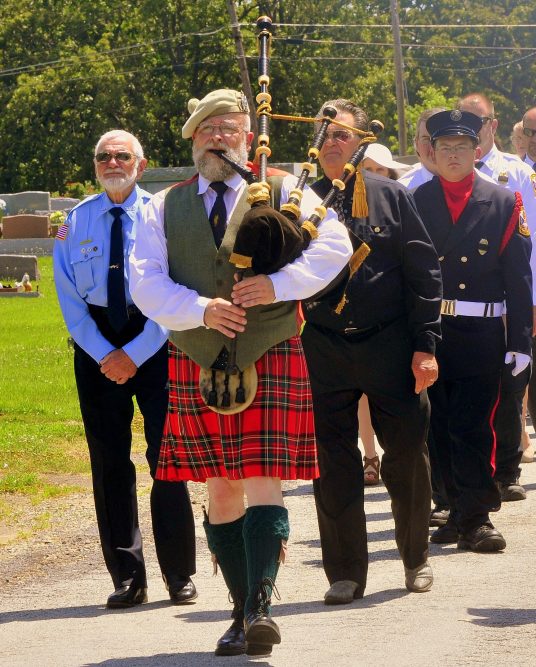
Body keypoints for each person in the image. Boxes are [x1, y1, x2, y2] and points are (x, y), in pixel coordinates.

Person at [129, 89, 351, 656]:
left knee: (262, 480)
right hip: (198, 356)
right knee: (219, 486)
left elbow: (333, 251)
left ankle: (261, 606)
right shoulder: (163, 206)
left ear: (248, 138)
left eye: (229, 128)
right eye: (207, 130)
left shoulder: (286, 190)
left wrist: (277, 286)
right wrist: (201, 308)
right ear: (192, 141)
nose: (218, 137)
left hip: (269, 347)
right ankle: (238, 607)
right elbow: (146, 282)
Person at [296, 98, 442, 606]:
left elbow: (424, 275)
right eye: (324, 132)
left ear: (360, 141)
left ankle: (415, 558)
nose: (331, 141)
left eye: (341, 134)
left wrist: (425, 346)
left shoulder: (391, 196)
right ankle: (345, 573)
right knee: (332, 463)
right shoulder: (297, 200)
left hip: (390, 343)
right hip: (324, 346)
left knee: (406, 457)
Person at [54, 130, 197, 610]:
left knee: (168, 459)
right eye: (104, 156)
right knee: (109, 462)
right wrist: (104, 354)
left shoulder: (163, 215)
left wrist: (135, 353)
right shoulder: (75, 222)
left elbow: (175, 287)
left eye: (122, 155)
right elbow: (71, 302)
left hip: (154, 340)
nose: (112, 162)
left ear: (142, 163)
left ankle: (179, 574)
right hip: (96, 346)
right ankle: (127, 577)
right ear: (95, 165)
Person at [412, 109, 533, 552]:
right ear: (431, 152)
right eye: (445, 148)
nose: (454, 156)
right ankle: (453, 509)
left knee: (475, 424)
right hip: (432, 328)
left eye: (463, 148)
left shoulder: (503, 202)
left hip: (481, 328)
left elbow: (518, 277)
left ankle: (478, 515)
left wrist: (520, 342)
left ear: (477, 151)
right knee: (436, 425)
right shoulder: (417, 201)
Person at [458, 93, 536, 500]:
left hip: (510, 296)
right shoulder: (447, 168)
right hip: (465, 301)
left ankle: (508, 468)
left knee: (511, 382)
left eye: (480, 121)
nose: (473, 128)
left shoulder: (515, 173)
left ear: (494, 126)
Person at [398, 107, 447, 190]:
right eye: (426, 139)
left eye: (440, 139)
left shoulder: (475, 182)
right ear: (417, 144)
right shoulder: (402, 190)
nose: (433, 147)